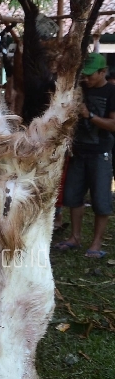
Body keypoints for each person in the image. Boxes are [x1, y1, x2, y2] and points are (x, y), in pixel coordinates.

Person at [54, 52, 115, 258]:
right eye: (84, 75)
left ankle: (96, 244)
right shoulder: (80, 90)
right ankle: (75, 238)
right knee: (72, 196)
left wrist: (89, 116)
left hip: (100, 154)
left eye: (90, 75)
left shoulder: (111, 92)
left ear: (103, 72)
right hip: (78, 153)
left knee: (100, 200)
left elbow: (113, 125)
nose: (86, 79)